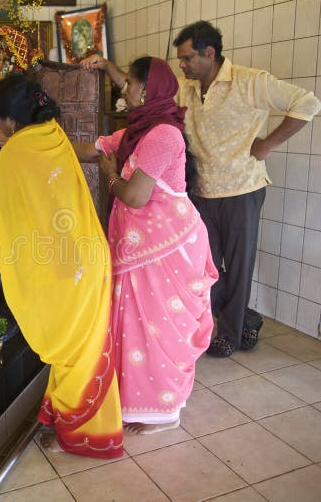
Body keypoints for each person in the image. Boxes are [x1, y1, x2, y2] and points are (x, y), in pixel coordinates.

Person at [0, 74, 123, 458]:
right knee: (86, 346)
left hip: (60, 264)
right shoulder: (51, 134)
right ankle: (65, 418)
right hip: (87, 256)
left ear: (11, 120)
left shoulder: (15, 153)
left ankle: (84, 433)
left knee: (67, 348)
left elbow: (3, 214)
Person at [79, 55, 217, 434]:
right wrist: (39, 143)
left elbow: (136, 196)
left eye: (130, 85)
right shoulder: (136, 133)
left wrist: (108, 176)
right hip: (136, 250)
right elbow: (93, 149)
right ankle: (140, 402)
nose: (125, 91)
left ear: (147, 89)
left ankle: (165, 412)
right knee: (134, 327)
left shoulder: (164, 134)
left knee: (159, 328)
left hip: (167, 249)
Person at [172, 21, 321, 357]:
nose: (181, 65)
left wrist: (268, 144)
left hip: (242, 189)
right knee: (201, 268)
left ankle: (229, 333)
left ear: (210, 54)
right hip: (201, 191)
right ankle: (247, 319)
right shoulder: (187, 87)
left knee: (238, 268)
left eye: (186, 58)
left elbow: (307, 104)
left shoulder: (251, 81)